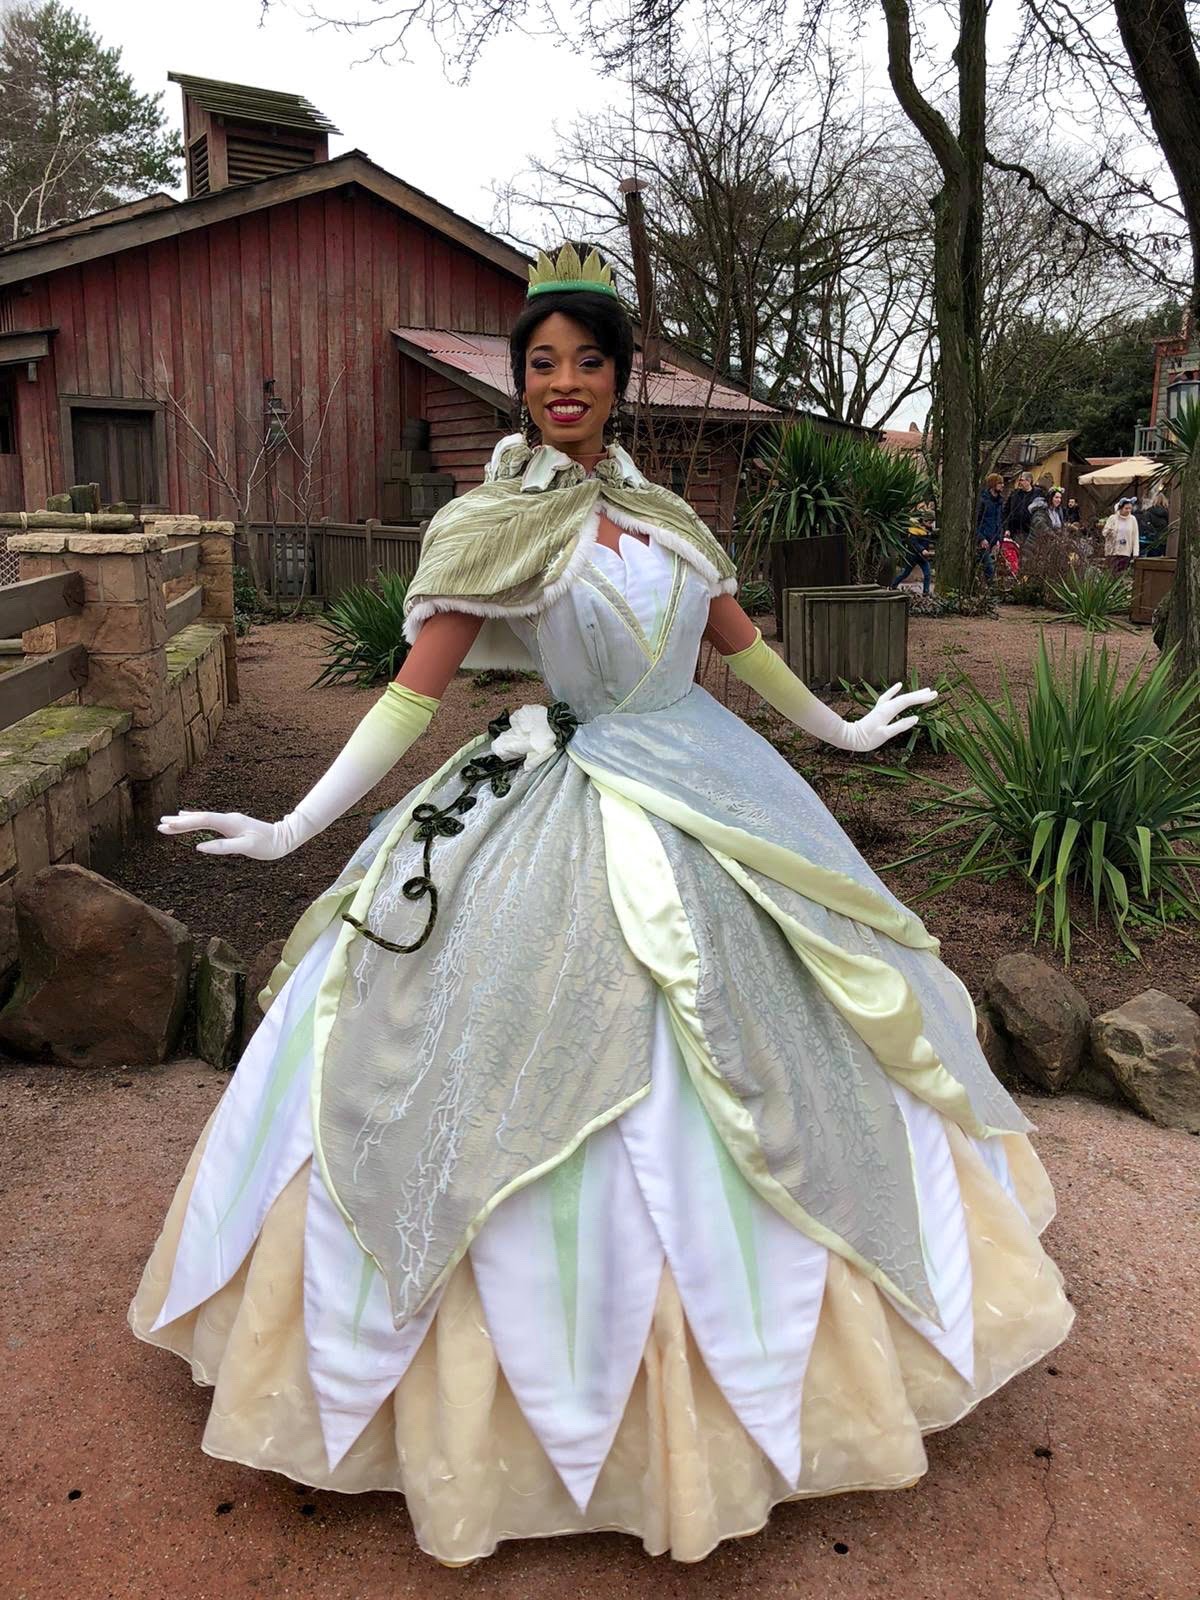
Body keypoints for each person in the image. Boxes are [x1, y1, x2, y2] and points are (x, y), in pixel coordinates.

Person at [131, 244, 1072, 1567]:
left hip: (715, 784)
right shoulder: (491, 523)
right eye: (541, 363)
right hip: (566, 791)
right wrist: (293, 825)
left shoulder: (675, 521)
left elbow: (745, 653)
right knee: (478, 1035)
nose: (562, 381)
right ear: (520, 381)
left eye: (585, 360)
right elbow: (410, 695)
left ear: (621, 377)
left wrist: (847, 735)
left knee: (800, 1018)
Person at [889, 504, 935, 594]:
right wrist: (922, 550)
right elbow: (914, 543)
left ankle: (925, 592)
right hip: (913, 556)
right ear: (924, 520)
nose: (931, 524)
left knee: (927, 574)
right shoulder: (914, 529)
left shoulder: (928, 530)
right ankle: (892, 586)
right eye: (930, 522)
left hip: (922, 558)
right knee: (905, 573)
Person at [975, 471, 1004, 581]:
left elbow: (1000, 521)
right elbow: (976, 522)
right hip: (983, 540)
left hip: (994, 540)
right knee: (989, 568)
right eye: (1000, 483)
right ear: (993, 484)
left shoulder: (1000, 501)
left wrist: (998, 540)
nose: (1002, 485)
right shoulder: (983, 500)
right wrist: (981, 538)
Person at [1102, 497, 1139, 570]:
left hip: (1126, 552)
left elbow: (1135, 536)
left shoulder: (1133, 519)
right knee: (1112, 572)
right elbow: (1104, 533)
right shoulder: (1112, 518)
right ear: (1121, 508)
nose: (1128, 510)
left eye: (1130, 508)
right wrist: (1109, 531)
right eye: (1126, 508)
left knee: (1122, 573)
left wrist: (1135, 553)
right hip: (1113, 552)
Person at [1004, 472, 1036, 542]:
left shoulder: (1036, 495)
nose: (1019, 482)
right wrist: (1006, 528)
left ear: (1029, 481)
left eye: (1021, 480)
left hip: (1030, 532)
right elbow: (1006, 511)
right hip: (1014, 532)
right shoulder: (1014, 494)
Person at [1138, 491, 1169, 556]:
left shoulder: (1149, 512)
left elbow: (1145, 525)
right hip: (1164, 540)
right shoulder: (1168, 513)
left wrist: (1153, 533)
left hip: (1151, 540)